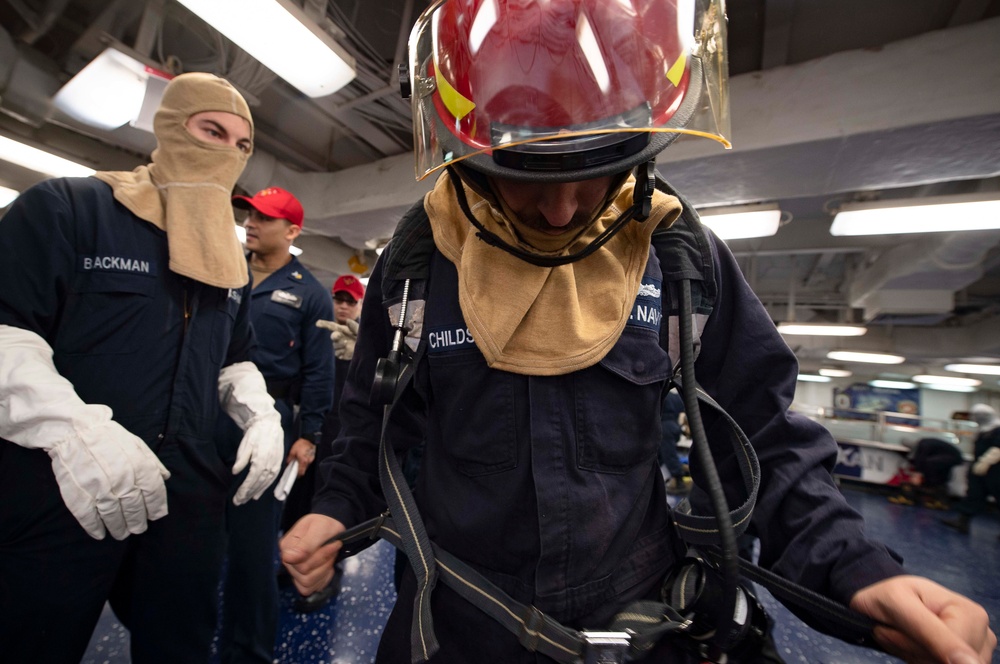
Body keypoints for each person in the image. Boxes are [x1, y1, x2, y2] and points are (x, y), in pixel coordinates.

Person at [279, 2, 995, 663]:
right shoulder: (417, 269)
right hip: (457, 623)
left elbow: (761, 437)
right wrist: (335, 513)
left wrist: (853, 568)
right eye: (525, 171)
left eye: (597, 168)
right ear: (465, 146)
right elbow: (368, 424)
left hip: (644, 623)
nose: (561, 212)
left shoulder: (679, 259)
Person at [0, 72, 284, 663]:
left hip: (186, 499)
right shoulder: (69, 210)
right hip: (65, 485)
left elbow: (233, 358)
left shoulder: (226, 257)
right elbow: (8, 333)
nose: (228, 152)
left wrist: (260, 413)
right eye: (212, 130)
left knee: (179, 645)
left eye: (242, 145)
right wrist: (72, 431)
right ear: (170, 126)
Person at [216, 186, 334, 661]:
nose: (252, 223)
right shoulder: (224, 270)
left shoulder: (309, 293)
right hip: (210, 416)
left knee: (251, 551)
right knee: (193, 542)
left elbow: (320, 370)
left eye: (265, 218)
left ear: (291, 231)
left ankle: (248, 652)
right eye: (250, 215)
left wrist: (309, 436)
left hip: (272, 423)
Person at [278, 273, 364, 613]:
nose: (342, 306)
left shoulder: (367, 343)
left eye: (350, 301)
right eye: (339, 299)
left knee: (329, 503)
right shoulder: (318, 335)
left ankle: (329, 573)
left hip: (342, 434)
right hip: (311, 428)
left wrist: (362, 356)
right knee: (298, 498)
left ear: (359, 305)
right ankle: (291, 563)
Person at [940, 404, 1000, 536]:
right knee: (974, 494)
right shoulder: (984, 430)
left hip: (995, 470)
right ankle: (963, 522)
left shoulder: (997, 429)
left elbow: (998, 449)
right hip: (979, 469)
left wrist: (985, 462)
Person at [661, 389, 692, 495]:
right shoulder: (674, 396)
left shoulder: (661, 393)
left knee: (668, 455)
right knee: (665, 455)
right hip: (675, 427)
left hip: (664, 427)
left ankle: (679, 480)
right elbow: (687, 408)